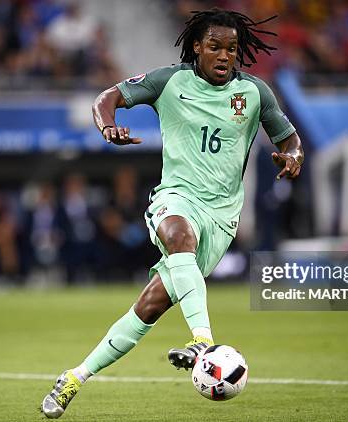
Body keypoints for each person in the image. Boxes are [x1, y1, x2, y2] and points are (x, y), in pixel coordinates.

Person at [41, 9, 304, 418]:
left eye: (231, 49)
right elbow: (105, 99)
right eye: (214, 46)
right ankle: (204, 342)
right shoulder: (170, 81)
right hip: (176, 199)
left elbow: (289, 139)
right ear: (197, 47)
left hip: (221, 219)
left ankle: (74, 376)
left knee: (148, 308)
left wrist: (293, 157)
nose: (224, 56)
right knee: (178, 236)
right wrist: (108, 126)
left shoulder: (254, 94)